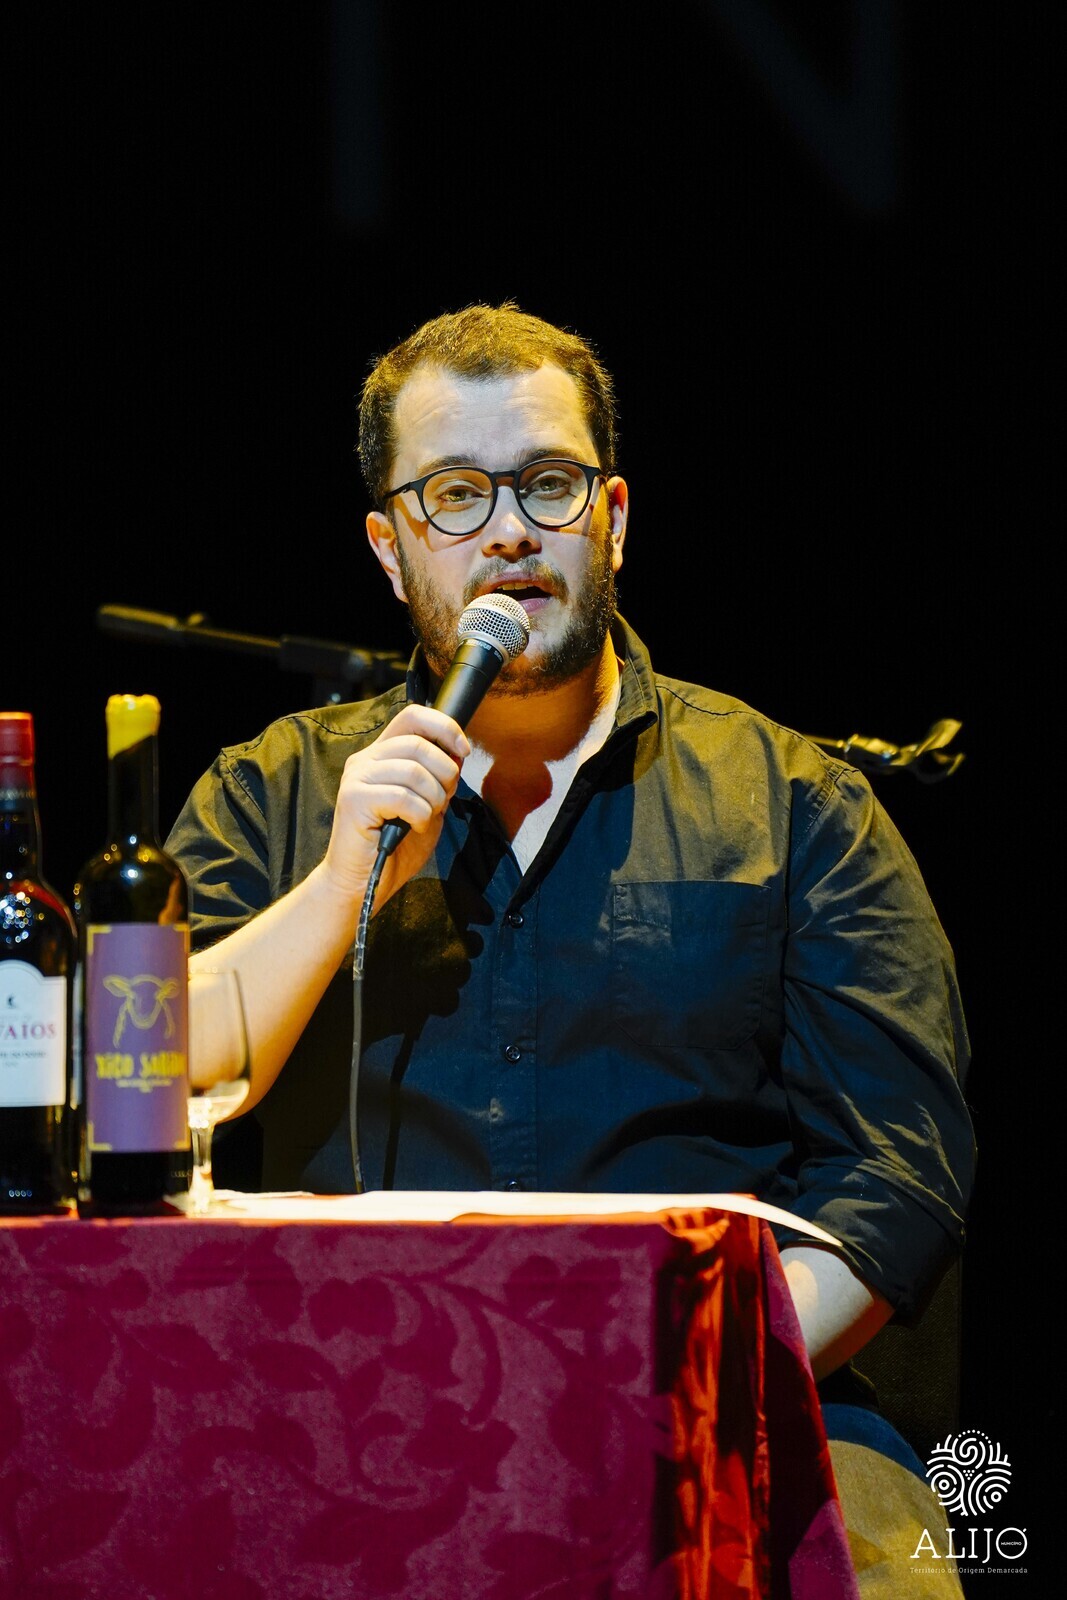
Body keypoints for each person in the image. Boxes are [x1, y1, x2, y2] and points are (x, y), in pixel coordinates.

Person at [167, 301, 975, 1593]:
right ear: (390, 549)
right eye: (454, 495)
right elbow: (153, 1088)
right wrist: (335, 889)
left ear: (614, 518)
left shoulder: (793, 802)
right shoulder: (272, 792)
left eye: (548, 483)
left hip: (738, 1403)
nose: (507, 531)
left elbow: (899, 1174)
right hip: (346, 1408)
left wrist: (675, 1380)